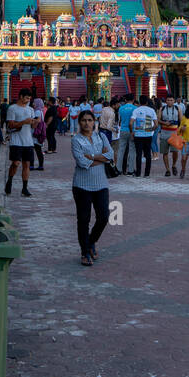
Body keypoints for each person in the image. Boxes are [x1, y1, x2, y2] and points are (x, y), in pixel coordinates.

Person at [71, 109, 114, 267]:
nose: (87, 123)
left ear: (94, 122)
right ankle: (84, 252)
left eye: (89, 120)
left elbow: (110, 154)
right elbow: (82, 163)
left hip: (101, 184)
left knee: (103, 217)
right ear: (79, 122)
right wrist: (101, 159)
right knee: (83, 220)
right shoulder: (76, 140)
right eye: (84, 120)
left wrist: (93, 157)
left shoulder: (101, 137)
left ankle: (91, 241)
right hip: (82, 185)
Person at [4, 89, 36, 197]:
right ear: (21, 96)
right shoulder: (12, 108)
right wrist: (23, 122)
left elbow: (32, 126)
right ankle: (10, 180)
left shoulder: (31, 109)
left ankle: (25, 187)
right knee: (15, 163)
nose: (28, 100)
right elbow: (11, 125)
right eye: (26, 98)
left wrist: (35, 123)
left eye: (29, 98)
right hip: (16, 140)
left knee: (26, 164)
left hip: (28, 140)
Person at [131, 98, 158, 177]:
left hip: (138, 135)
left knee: (138, 154)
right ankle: (147, 173)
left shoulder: (136, 110)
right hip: (148, 134)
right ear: (146, 102)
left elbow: (130, 123)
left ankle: (138, 173)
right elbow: (156, 124)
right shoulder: (151, 110)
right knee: (148, 154)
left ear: (139, 102)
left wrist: (132, 132)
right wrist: (151, 130)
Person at [158, 96, 183, 177]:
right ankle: (167, 169)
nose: (169, 101)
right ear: (166, 101)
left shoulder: (177, 108)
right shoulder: (162, 109)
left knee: (175, 151)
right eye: (168, 100)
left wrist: (180, 131)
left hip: (175, 133)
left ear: (174, 101)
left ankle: (174, 165)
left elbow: (181, 120)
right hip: (164, 133)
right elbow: (158, 120)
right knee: (165, 152)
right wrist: (164, 123)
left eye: (171, 100)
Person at [117, 94, 136, 175]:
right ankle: (131, 170)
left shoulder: (121, 108)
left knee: (121, 150)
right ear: (133, 99)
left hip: (123, 130)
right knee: (132, 151)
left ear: (125, 100)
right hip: (132, 131)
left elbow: (119, 121)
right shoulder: (135, 109)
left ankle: (118, 169)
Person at [31, 97, 46, 171]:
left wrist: (32, 125)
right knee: (38, 150)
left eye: (34, 102)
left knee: (33, 150)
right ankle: (40, 166)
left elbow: (37, 121)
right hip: (39, 133)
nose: (33, 104)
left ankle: (32, 165)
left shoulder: (37, 111)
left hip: (35, 133)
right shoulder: (40, 111)